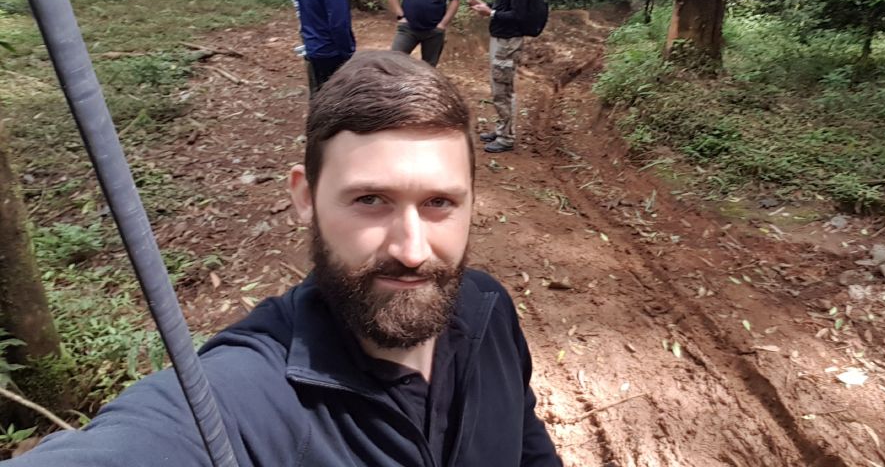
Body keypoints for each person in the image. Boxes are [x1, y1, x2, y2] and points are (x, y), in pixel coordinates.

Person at [4, 51, 563, 467]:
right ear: (304, 197)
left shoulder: (489, 309)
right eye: (370, 200)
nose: (411, 250)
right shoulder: (243, 396)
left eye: (439, 203)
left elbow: (526, 446)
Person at [468, 0, 532, 154]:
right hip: (501, 38)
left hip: (508, 41)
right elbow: (507, 6)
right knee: (499, 87)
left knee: (502, 89)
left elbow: (519, 15)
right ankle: (502, 129)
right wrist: (486, 6)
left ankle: (506, 137)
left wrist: (492, 13)